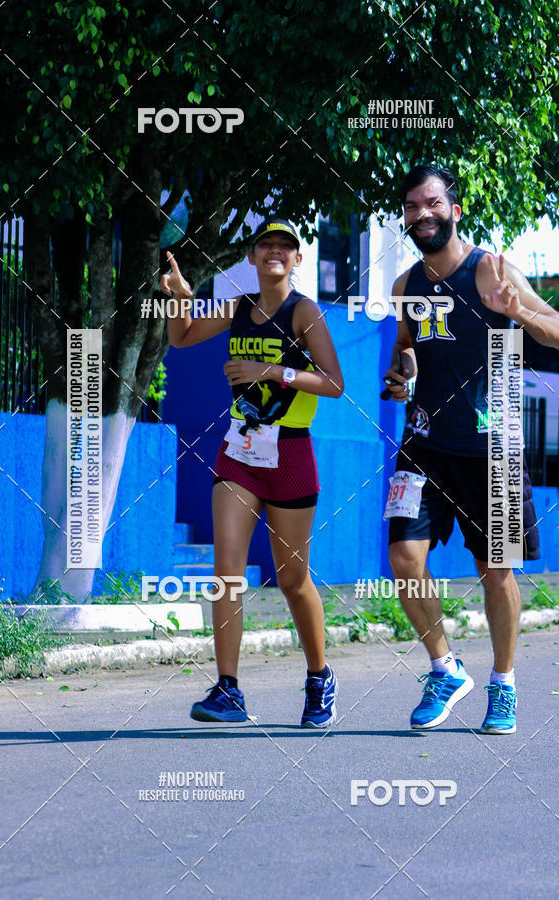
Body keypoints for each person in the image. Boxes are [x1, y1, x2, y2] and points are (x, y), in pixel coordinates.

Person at [384, 164, 559, 734]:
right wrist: (402, 376)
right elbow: (408, 348)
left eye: (434, 203)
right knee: (403, 559)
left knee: (496, 572)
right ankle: (445, 668)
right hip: (425, 442)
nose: (424, 214)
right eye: (413, 206)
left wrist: (514, 308)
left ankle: (504, 683)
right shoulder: (406, 287)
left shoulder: (490, 269)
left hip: (495, 447)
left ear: (455, 209)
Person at [161, 218, 344, 727]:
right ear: (252, 255)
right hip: (240, 453)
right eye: (267, 244)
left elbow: (333, 382)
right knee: (227, 574)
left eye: (286, 246)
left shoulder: (302, 311)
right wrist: (179, 299)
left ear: (298, 258)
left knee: (292, 579)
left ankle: (319, 676)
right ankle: (229, 689)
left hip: (290, 454)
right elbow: (182, 339)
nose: (276, 252)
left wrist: (269, 371)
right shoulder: (238, 307)